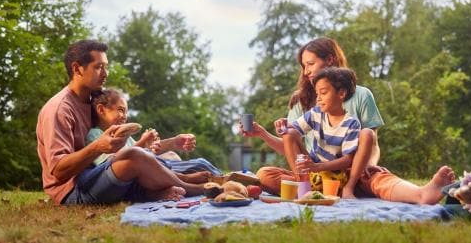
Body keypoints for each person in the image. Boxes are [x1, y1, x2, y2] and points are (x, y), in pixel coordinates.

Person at [36, 39, 203, 205]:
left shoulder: (92, 101)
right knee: (135, 156)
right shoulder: (59, 109)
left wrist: (172, 142)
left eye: (106, 66)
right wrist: (97, 147)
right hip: (73, 191)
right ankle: (193, 188)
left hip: (99, 173)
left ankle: (170, 187)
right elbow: (58, 170)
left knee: (173, 158)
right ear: (77, 69)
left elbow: (132, 149)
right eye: (98, 67)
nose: (105, 73)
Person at [283, 67, 455, 204]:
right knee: (267, 174)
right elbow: (291, 134)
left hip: (347, 175)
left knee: (375, 172)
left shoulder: (353, 117)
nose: (318, 99)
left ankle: (421, 194)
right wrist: (278, 129)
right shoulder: (314, 114)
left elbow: (355, 155)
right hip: (313, 178)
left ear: (341, 93)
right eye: (317, 93)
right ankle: (301, 188)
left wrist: (368, 165)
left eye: (323, 92)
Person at [241, 37, 383, 198]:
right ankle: (315, 188)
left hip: (350, 171)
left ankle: (337, 188)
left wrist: (369, 166)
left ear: (330, 60)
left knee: (378, 179)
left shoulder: (362, 95)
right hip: (313, 172)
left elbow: (372, 143)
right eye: (303, 66)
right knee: (265, 174)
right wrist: (262, 133)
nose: (306, 71)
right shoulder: (301, 100)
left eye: (310, 64)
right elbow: (290, 146)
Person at [86, 88, 222, 183]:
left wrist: (173, 143)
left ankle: (226, 180)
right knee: (200, 164)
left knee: (171, 155)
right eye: (121, 110)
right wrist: (143, 143)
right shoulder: (96, 135)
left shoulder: (123, 134)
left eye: (126, 112)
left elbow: (143, 152)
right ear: (101, 110)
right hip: (136, 177)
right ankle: (224, 181)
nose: (125, 117)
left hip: (148, 168)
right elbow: (116, 162)